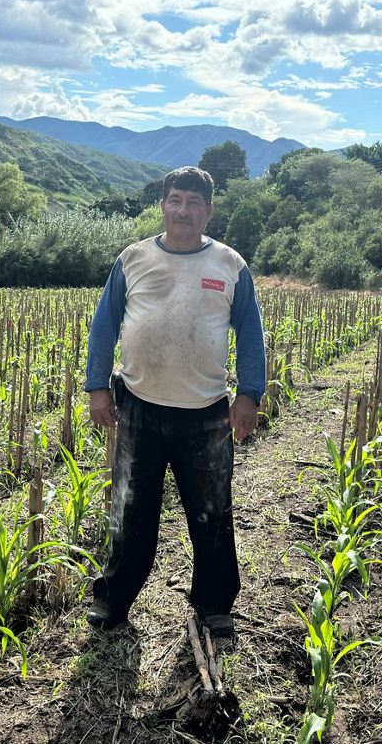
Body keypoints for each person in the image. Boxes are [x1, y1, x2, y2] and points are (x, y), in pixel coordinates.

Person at [84, 166, 265, 637]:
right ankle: (113, 599)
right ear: (163, 205)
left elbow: (250, 333)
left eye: (194, 203)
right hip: (139, 406)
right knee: (130, 509)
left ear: (209, 211)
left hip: (206, 413)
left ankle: (215, 603)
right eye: (176, 200)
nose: (183, 211)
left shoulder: (230, 265)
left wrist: (249, 395)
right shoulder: (133, 259)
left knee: (212, 511)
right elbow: (104, 325)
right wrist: (97, 387)